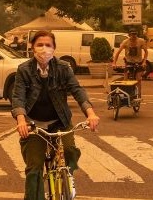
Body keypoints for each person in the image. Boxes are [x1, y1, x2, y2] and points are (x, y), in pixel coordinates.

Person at [11, 30, 100, 200]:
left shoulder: (63, 68)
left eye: (48, 45)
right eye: (39, 45)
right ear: (32, 48)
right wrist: (21, 120)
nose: (44, 49)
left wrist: (91, 114)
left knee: (70, 151)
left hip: (59, 121)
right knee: (34, 169)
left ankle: (68, 176)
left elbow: (77, 90)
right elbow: (18, 97)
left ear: (54, 48)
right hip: (34, 125)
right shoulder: (24, 70)